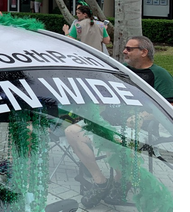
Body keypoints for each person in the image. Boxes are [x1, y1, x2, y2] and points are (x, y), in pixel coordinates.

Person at [65, 35, 173, 207]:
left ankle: (119, 183)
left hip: (138, 126)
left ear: (144, 52)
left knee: (114, 141)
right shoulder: (121, 70)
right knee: (71, 131)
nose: (124, 51)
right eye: (125, 48)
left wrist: (143, 116)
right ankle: (100, 181)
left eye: (129, 48)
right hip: (107, 119)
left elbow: (169, 106)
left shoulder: (159, 75)